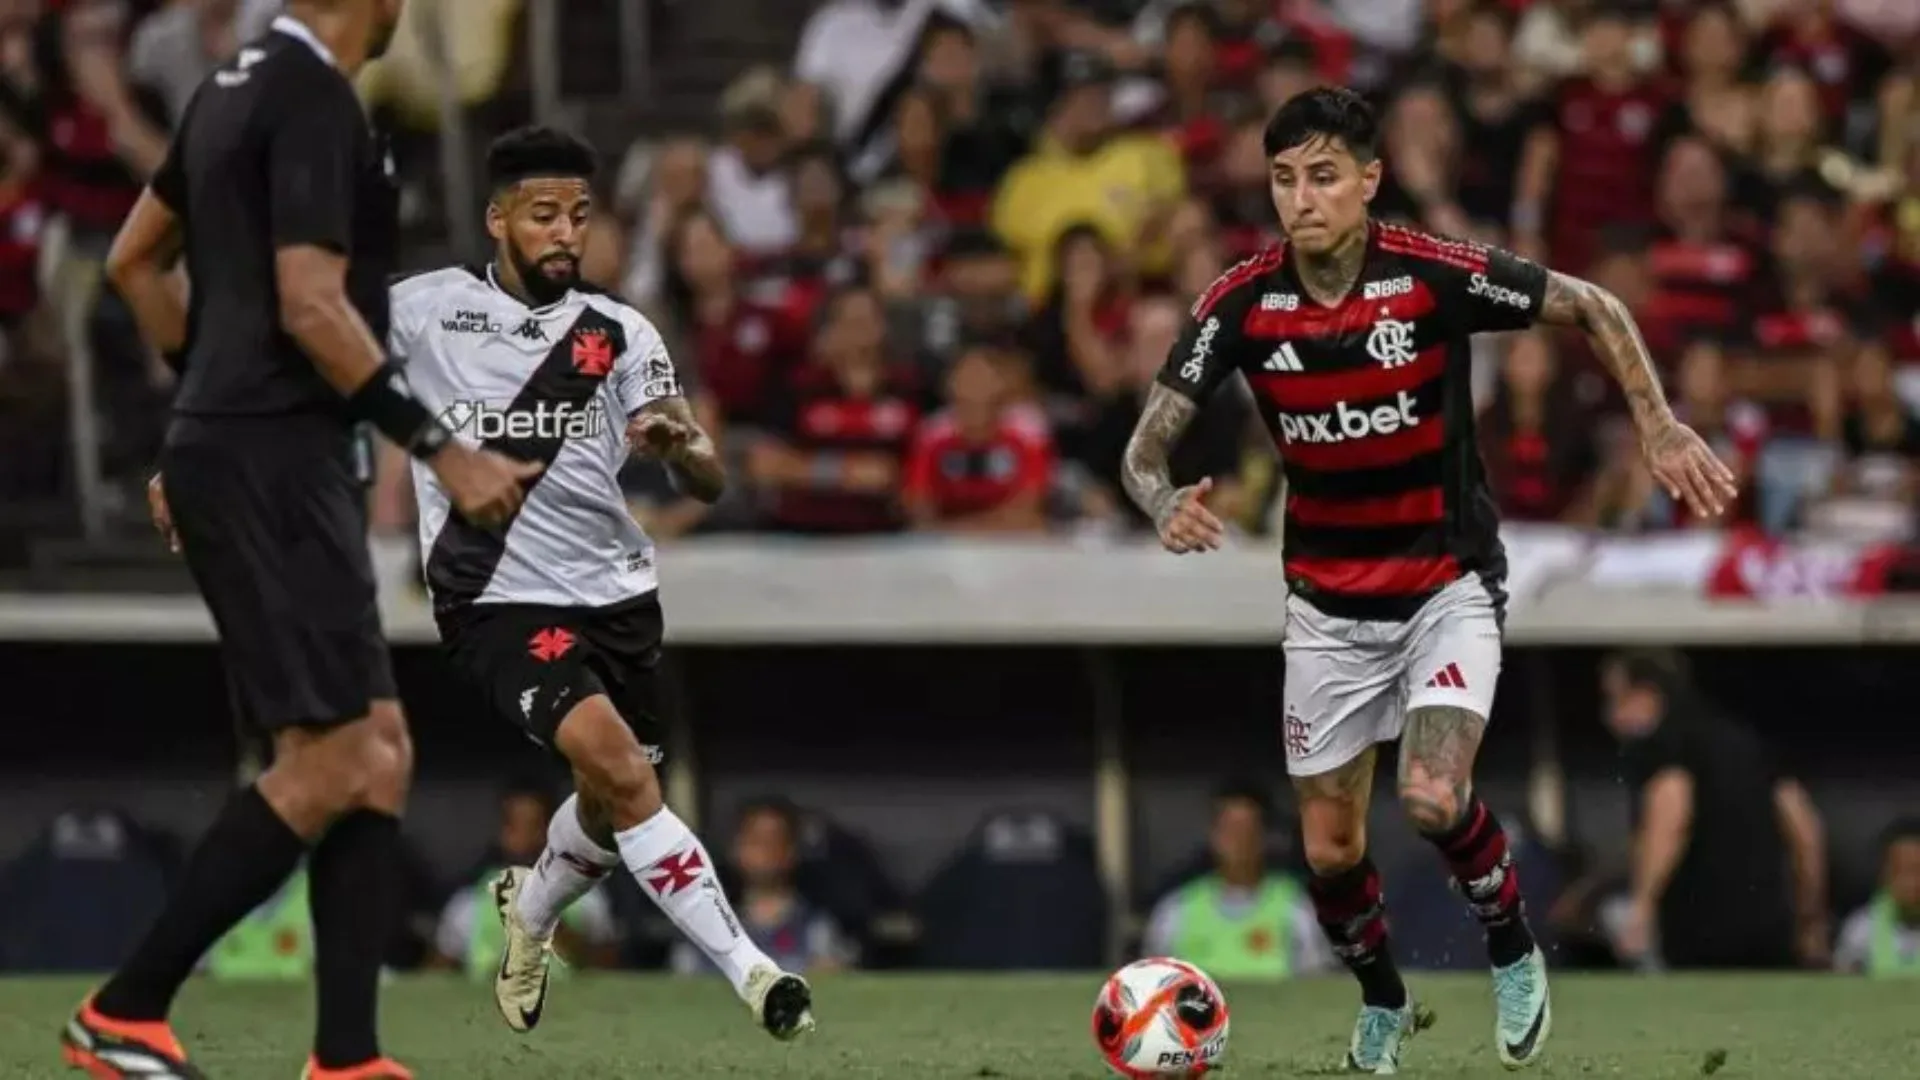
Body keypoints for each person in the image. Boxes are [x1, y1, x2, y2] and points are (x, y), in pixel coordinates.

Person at [1122, 87, 1737, 1074]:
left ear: (1369, 181)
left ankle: (1511, 947)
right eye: (1284, 179)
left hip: (1446, 584)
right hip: (1325, 606)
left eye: (1323, 176)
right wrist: (1160, 504)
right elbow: (1144, 450)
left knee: (1433, 796)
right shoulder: (1237, 303)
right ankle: (1382, 1000)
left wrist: (1658, 424)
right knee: (1328, 852)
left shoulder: (1431, 277)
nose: (1301, 198)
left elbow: (1595, 303)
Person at [67, 3, 539, 1078]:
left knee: (376, 751)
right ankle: (123, 1012)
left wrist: (200, 417)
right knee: (333, 759)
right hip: (276, 459)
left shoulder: (229, 91)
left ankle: (347, 1059)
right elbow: (315, 306)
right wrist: (443, 450)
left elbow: (138, 263)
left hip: (254, 449)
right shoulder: (316, 98)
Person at [387, 126, 815, 1041]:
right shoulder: (423, 311)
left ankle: (530, 917)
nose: (565, 234)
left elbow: (708, 474)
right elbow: (307, 353)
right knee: (623, 771)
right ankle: (756, 975)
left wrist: (680, 445)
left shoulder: (617, 333)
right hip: (492, 598)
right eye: (544, 215)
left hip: (618, 597)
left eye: (580, 216)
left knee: (610, 798)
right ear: (497, 218)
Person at [1598, 650, 1829, 972]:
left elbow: (1671, 815)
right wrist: (1810, 916)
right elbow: (1805, 829)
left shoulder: (1664, 744)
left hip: (1699, 929)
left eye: (1614, 699)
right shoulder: (1749, 741)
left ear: (1645, 694)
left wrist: (1642, 907)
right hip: (1770, 927)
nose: (1609, 715)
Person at [1139, 780, 1331, 980]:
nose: (1239, 841)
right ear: (1213, 834)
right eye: (1230, 830)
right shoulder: (1175, 910)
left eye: (1247, 830)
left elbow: (1315, 985)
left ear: (1265, 836)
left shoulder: (1296, 906)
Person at [1833, 818, 1920, 977]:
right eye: (1901, 871)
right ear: (1884, 874)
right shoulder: (1861, 930)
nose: (1912, 882)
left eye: (1917, 871)